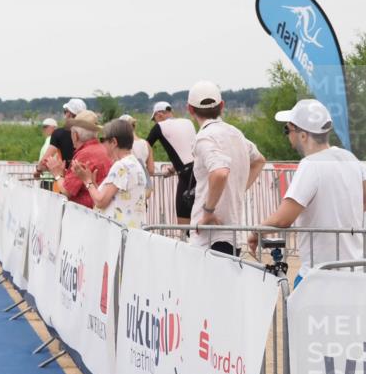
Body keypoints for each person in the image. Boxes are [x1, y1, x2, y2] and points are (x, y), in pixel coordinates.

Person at [247, 99, 366, 279]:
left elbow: (283, 219)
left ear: (303, 135)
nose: (287, 135)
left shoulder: (311, 164)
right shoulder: (349, 158)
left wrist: (256, 231)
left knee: (294, 305)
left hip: (319, 274)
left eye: (288, 130)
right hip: (353, 271)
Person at [186, 81, 265, 256]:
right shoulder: (236, 134)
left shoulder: (204, 138)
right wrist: (237, 188)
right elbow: (259, 160)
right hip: (232, 232)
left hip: (209, 237)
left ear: (190, 109)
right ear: (222, 106)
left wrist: (208, 212)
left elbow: (220, 172)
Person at [74, 119, 148, 228]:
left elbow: (100, 201)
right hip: (134, 231)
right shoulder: (135, 164)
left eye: (103, 139)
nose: (101, 144)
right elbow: (111, 196)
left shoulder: (121, 166)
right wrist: (94, 184)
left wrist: (86, 180)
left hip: (119, 233)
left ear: (114, 142)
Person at [44, 110, 112, 209]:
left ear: (75, 135)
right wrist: (64, 174)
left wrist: (57, 174)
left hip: (85, 214)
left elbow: (67, 191)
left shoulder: (84, 154)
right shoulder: (101, 149)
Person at [147, 100, 197, 225]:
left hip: (186, 176)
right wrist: (174, 168)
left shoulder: (159, 127)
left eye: (155, 119)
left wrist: (149, 168)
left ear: (159, 115)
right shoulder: (188, 122)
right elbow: (188, 151)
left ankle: (189, 243)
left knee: (183, 221)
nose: (156, 122)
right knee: (201, 218)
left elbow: (145, 146)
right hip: (200, 171)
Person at [38, 98, 84, 172]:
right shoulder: (90, 134)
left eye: (65, 111)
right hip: (86, 178)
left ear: (69, 114)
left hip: (65, 178)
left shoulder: (59, 134)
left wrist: (38, 170)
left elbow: (44, 162)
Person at [120, 114, 154, 195]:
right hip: (143, 186)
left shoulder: (121, 145)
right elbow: (151, 170)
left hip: (127, 186)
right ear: (134, 127)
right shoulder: (146, 144)